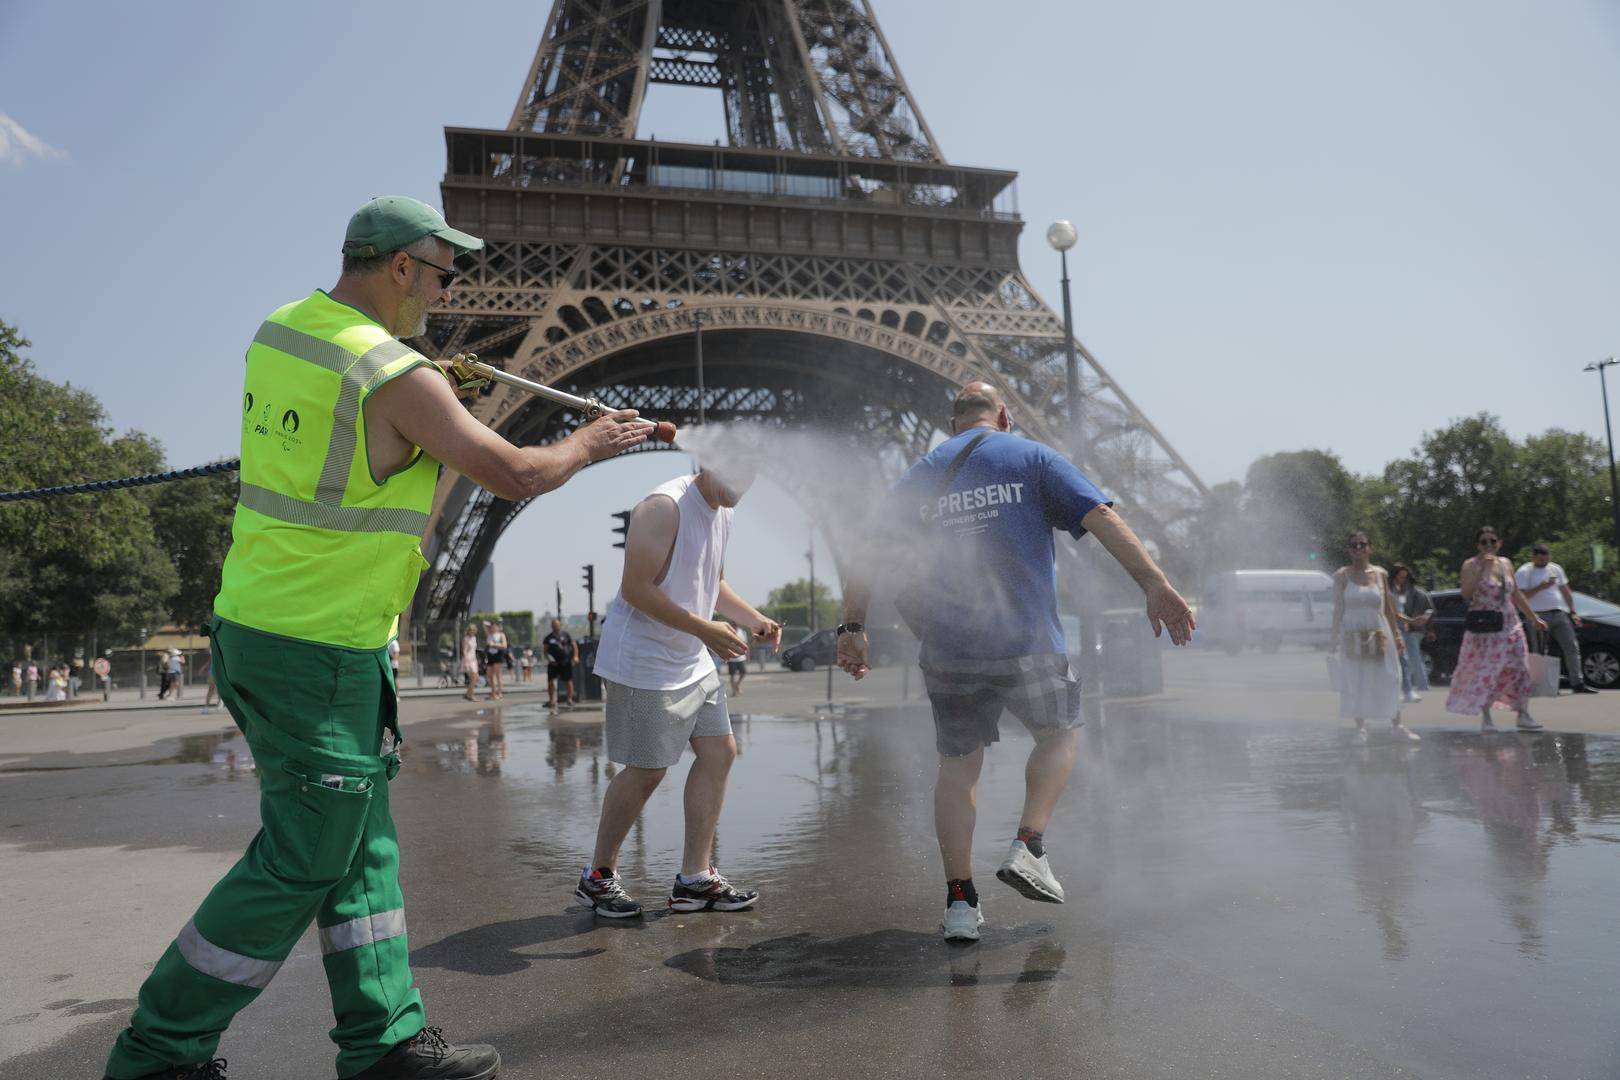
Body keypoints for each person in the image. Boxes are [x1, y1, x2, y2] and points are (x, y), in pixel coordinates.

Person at [103, 195, 648, 1080]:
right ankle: (158, 1049)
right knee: (306, 857)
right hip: (314, 646)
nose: (449, 291)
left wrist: (429, 393)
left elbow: (355, 445)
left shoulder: (284, 330)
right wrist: (589, 443)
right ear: (401, 267)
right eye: (442, 274)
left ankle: (384, 1041)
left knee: (361, 853)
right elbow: (516, 472)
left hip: (272, 625)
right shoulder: (395, 374)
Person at [837, 381, 1196, 942]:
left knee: (958, 768)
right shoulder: (1031, 456)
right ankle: (1028, 844)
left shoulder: (921, 473)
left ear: (952, 424)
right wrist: (1154, 583)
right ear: (1004, 416)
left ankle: (960, 904)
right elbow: (1101, 517)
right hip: (1029, 640)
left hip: (950, 648)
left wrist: (853, 628)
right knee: (1059, 734)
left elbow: (869, 553)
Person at [574, 453, 781, 919]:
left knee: (720, 752)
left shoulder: (723, 510)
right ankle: (598, 876)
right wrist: (706, 630)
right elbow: (636, 588)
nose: (742, 486)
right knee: (647, 770)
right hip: (643, 661)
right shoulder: (663, 507)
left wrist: (753, 618)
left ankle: (694, 879)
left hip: (690, 658)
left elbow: (713, 580)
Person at [1445, 526, 1548, 732]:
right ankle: (1487, 717)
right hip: (1485, 628)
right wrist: (1481, 569)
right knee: (1488, 672)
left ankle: (1523, 713)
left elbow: (1516, 594)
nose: (1488, 545)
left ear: (1499, 543)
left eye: (1492, 541)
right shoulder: (1470, 564)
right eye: (1484, 542)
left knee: (1521, 668)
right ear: (1477, 545)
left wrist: (1533, 617)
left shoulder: (1505, 563)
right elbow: (1466, 593)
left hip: (1510, 623)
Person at [1330, 534, 1418, 743]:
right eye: (1354, 545)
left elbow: (1388, 608)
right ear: (1349, 550)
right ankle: (1361, 729)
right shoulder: (1341, 575)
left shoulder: (1380, 574)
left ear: (1370, 548)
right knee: (1356, 679)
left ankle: (1397, 725)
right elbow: (1338, 608)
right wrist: (1333, 638)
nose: (1358, 548)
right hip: (1352, 630)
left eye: (1362, 545)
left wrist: (1397, 635)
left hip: (1378, 629)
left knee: (1390, 676)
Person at [1517, 545, 1594, 694]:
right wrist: (1541, 587)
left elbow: (1565, 591)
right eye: (1540, 560)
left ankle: (1577, 683)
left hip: (1558, 613)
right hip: (1537, 615)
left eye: (1546, 559)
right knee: (1539, 651)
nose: (1544, 562)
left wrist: (1573, 611)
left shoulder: (1555, 569)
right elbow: (1521, 596)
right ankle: (1542, 685)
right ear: (1533, 557)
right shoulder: (1525, 571)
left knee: (1571, 647)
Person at [1387, 563, 1433, 703]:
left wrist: (1407, 621)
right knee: (1399, 659)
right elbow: (1394, 612)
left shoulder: (1401, 589)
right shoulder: (1388, 590)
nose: (1402, 580)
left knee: (1404, 659)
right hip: (1391, 625)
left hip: (1401, 626)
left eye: (1404, 577)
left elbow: (1400, 610)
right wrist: (1411, 621)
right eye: (1400, 577)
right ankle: (1402, 690)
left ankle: (1407, 690)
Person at [542, 618, 578, 710]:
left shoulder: (566, 635)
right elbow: (545, 651)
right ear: (551, 626)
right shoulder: (548, 638)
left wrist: (575, 656)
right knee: (550, 681)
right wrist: (550, 660)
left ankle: (569, 699)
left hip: (565, 662)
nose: (555, 626)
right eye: (554, 625)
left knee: (568, 681)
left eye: (557, 624)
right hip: (553, 663)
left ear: (560, 625)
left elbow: (574, 645)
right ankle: (551, 701)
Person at [483, 620, 507, 700]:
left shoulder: (501, 635)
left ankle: (500, 693)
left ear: (497, 627)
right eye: (491, 626)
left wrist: (494, 645)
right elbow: (484, 625)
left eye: (494, 626)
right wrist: (488, 623)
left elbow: (504, 645)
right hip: (490, 655)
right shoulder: (489, 634)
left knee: (498, 675)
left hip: (498, 655)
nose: (492, 628)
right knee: (490, 675)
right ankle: (493, 693)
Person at [726, 625, 748, 697]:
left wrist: (748, 654)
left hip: (741, 657)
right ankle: (734, 691)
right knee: (732, 675)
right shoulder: (728, 631)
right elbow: (725, 644)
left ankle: (736, 685)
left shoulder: (742, 632)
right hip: (731, 657)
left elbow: (745, 644)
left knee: (743, 672)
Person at [460, 625, 480, 702]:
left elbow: (474, 650)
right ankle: (471, 695)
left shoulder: (474, 638)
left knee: (476, 678)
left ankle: (468, 694)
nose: (472, 631)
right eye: (471, 630)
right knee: (474, 678)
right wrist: (466, 661)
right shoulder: (466, 638)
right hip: (468, 659)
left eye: (474, 630)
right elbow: (464, 650)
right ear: (468, 631)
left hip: (473, 659)